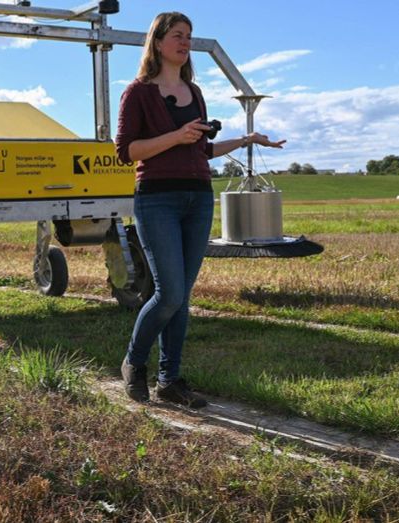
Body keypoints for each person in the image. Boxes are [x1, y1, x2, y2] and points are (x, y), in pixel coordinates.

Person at [115, 11, 285, 407]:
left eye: (189, 36)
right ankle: (133, 363)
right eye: (177, 35)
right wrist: (176, 136)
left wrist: (247, 140)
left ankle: (169, 381)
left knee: (182, 297)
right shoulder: (137, 92)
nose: (185, 43)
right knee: (169, 293)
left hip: (197, 196)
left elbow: (203, 149)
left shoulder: (195, 92)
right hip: (157, 197)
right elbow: (126, 152)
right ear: (157, 42)